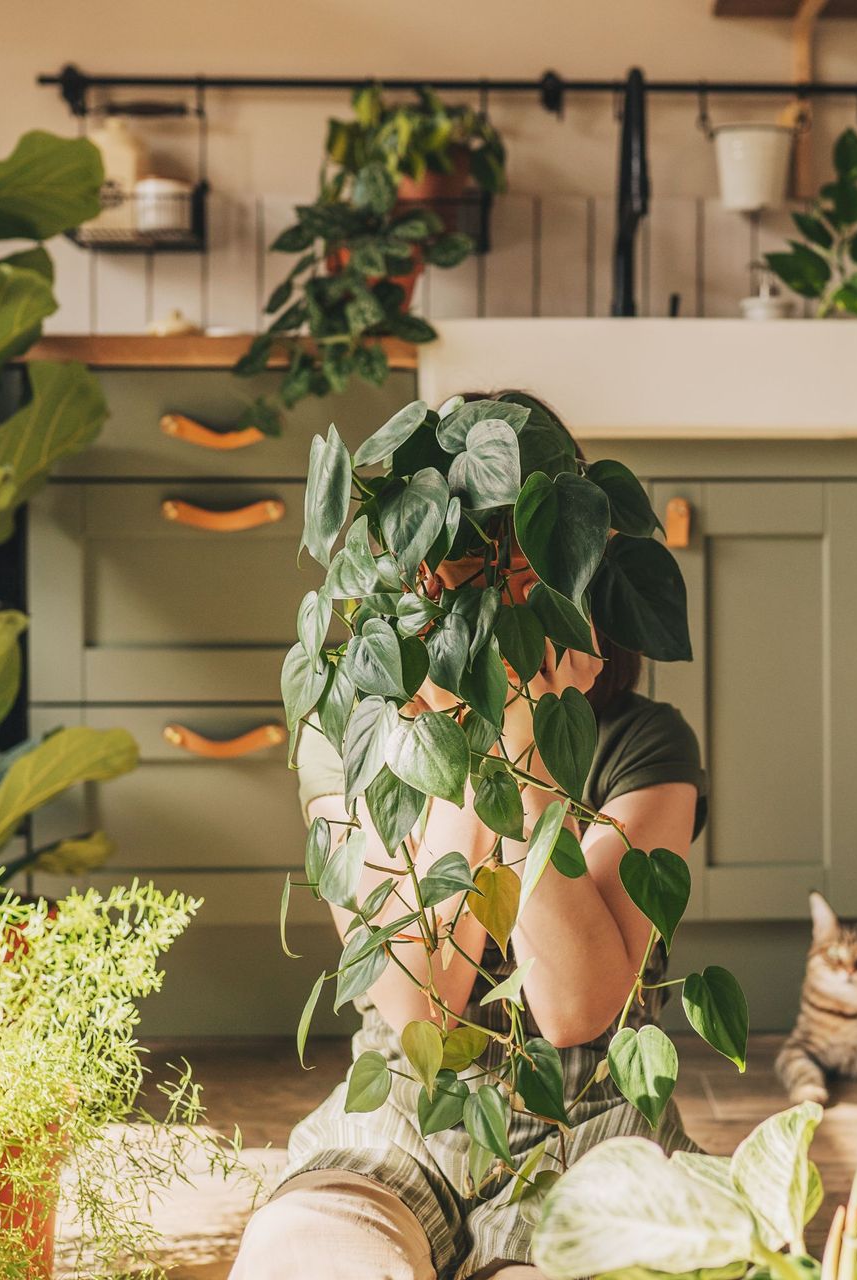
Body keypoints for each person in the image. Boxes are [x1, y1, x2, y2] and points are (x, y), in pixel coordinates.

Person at [231, 394, 707, 1280]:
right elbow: (426, 1006)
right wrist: (462, 745)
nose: (493, 609)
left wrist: (524, 753)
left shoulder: (645, 743)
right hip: (406, 1103)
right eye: (464, 576)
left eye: (524, 575)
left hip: (593, 1116)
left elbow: (576, 1010)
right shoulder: (351, 734)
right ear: (411, 578)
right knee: (311, 1247)